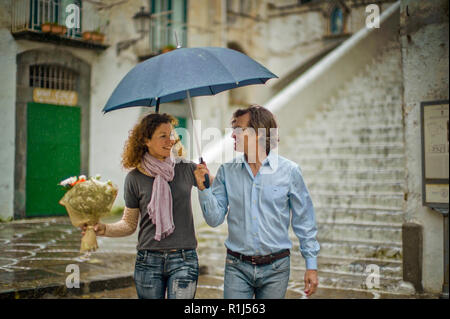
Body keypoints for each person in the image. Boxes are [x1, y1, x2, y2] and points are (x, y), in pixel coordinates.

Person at [194, 105, 320, 299]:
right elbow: (214, 219)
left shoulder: (290, 171)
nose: (233, 135)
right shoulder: (226, 171)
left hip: (277, 268)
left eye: (239, 129)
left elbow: (304, 220)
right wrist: (204, 189)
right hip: (237, 266)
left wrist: (311, 266)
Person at [82, 112, 201, 299]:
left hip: (184, 259)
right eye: (163, 136)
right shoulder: (134, 178)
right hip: (148, 260)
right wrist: (103, 229)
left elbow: (217, 190)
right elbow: (129, 224)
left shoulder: (187, 168)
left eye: (171, 135)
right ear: (146, 140)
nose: (170, 141)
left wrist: (206, 180)